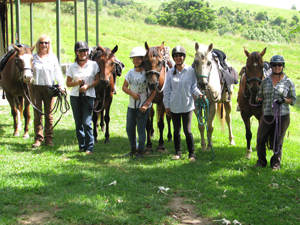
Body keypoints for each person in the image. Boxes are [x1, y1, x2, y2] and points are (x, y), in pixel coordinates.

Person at [255, 55, 296, 170]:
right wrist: (259, 101)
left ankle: (275, 164)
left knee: (278, 140)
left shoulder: (288, 82)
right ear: (271, 66)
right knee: (260, 137)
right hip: (267, 114)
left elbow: (293, 99)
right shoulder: (265, 81)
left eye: (279, 65)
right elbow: (260, 94)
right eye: (274, 65)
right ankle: (261, 161)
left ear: (283, 66)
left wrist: (284, 100)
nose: (277, 67)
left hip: (282, 115)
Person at [163, 45, 203, 162]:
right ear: (174, 58)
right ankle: (178, 152)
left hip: (187, 106)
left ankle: (192, 154)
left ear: (184, 57)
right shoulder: (170, 73)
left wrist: (199, 94)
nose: (178, 58)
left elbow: (193, 87)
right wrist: (167, 106)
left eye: (180, 55)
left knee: (187, 130)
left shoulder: (190, 71)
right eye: (176, 56)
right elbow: (167, 90)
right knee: (176, 130)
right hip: (174, 106)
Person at [66, 41, 100, 154]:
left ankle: (89, 147)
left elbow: (98, 80)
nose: (83, 53)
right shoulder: (72, 66)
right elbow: (68, 83)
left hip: (88, 96)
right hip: (75, 96)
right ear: (76, 52)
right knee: (78, 122)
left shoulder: (93, 65)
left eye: (85, 50)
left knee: (86, 122)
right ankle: (81, 145)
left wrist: (88, 86)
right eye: (80, 51)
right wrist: (77, 83)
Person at [122, 46, 156, 159]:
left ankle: (141, 151)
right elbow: (124, 87)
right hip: (132, 106)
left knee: (141, 129)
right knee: (129, 128)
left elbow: (154, 91)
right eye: (134, 59)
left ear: (143, 59)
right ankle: (133, 148)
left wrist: (146, 105)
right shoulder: (130, 73)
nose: (136, 61)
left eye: (138, 59)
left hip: (143, 106)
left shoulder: (147, 73)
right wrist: (132, 94)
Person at [31, 35, 65, 147]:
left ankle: (48, 138)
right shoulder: (33, 57)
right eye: (42, 42)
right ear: (38, 44)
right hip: (36, 87)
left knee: (49, 114)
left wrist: (61, 84)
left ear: (49, 44)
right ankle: (38, 138)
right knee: (37, 113)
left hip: (49, 88)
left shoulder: (52, 58)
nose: (44, 45)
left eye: (46, 43)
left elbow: (57, 72)